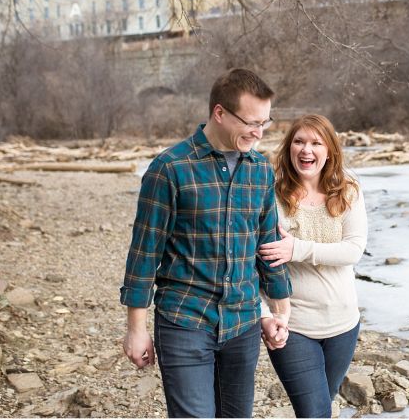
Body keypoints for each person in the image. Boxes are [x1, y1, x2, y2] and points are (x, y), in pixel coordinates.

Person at [120, 68, 292, 418]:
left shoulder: (260, 170)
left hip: (243, 323)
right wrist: (136, 330)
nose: (259, 132)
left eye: (265, 122)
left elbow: (267, 244)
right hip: (185, 320)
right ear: (219, 113)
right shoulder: (170, 169)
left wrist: (280, 312)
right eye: (250, 122)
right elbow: (143, 254)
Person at [258, 114, 368, 418]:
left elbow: (353, 250)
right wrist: (264, 316)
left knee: (321, 407)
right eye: (299, 141)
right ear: (289, 148)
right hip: (293, 326)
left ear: (329, 150)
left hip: (344, 324)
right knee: (315, 413)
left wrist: (297, 248)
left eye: (316, 142)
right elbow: (250, 265)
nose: (306, 150)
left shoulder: (349, 191)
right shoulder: (271, 197)